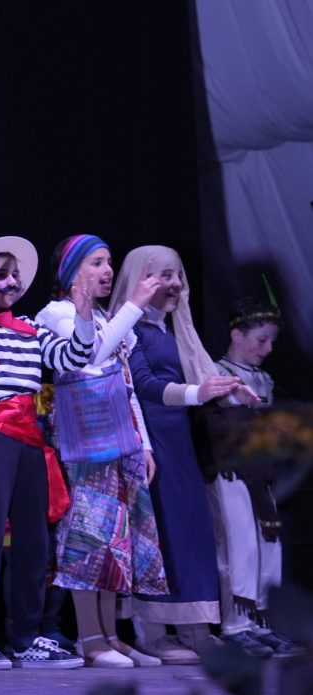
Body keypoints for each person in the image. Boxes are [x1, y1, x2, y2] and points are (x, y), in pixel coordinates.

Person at [0, 236, 94, 670]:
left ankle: (26, 635)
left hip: (29, 437)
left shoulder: (31, 328)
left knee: (33, 540)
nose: (10, 282)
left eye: (13, 275)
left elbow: (72, 358)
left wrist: (84, 315)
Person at [36, 236, 167, 668]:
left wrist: (143, 444)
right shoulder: (55, 314)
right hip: (85, 444)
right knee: (88, 538)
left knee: (116, 540)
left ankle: (111, 635)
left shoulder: (108, 317)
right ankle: (90, 638)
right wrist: (134, 305)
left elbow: (126, 384)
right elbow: (89, 355)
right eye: (96, 262)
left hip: (119, 440)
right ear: (72, 271)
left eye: (109, 262)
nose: (107, 270)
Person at [110, 246, 244, 662]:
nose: (175, 284)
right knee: (158, 532)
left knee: (189, 531)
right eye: (164, 276)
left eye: (178, 275)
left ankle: (193, 627)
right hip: (149, 439)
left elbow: (201, 376)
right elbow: (144, 385)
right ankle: (151, 631)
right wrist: (196, 393)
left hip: (179, 441)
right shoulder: (129, 329)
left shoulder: (171, 330)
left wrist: (230, 390)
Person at [205, 296, 298, 658]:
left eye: (271, 341)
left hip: (261, 473)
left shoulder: (264, 379)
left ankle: (260, 622)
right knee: (237, 544)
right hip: (230, 472)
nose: (268, 348)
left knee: (267, 545)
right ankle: (235, 625)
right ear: (237, 335)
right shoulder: (216, 373)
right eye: (261, 340)